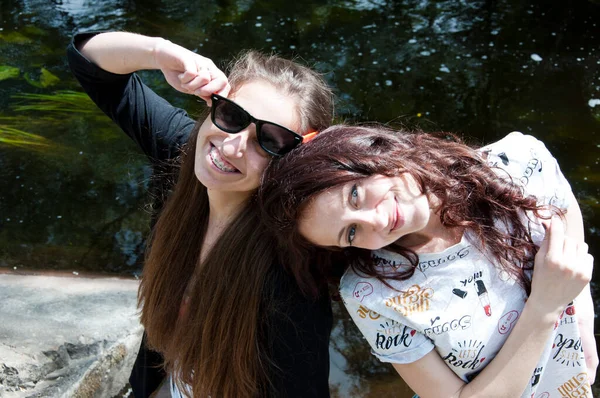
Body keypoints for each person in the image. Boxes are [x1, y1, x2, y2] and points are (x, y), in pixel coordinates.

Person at [67, 31, 334, 397]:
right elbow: (90, 61)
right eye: (232, 115)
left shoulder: (292, 276)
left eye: (269, 141)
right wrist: (161, 53)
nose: (234, 145)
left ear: (292, 160)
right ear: (213, 106)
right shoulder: (181, 153)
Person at [258, 125, 597, 397]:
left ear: (369, 150)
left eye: (355, 194)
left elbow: (565, 220)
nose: (375, 222)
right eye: (351, 233)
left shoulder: (522, 159)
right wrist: (545, 307)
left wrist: (581, 319)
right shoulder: (372, 294)